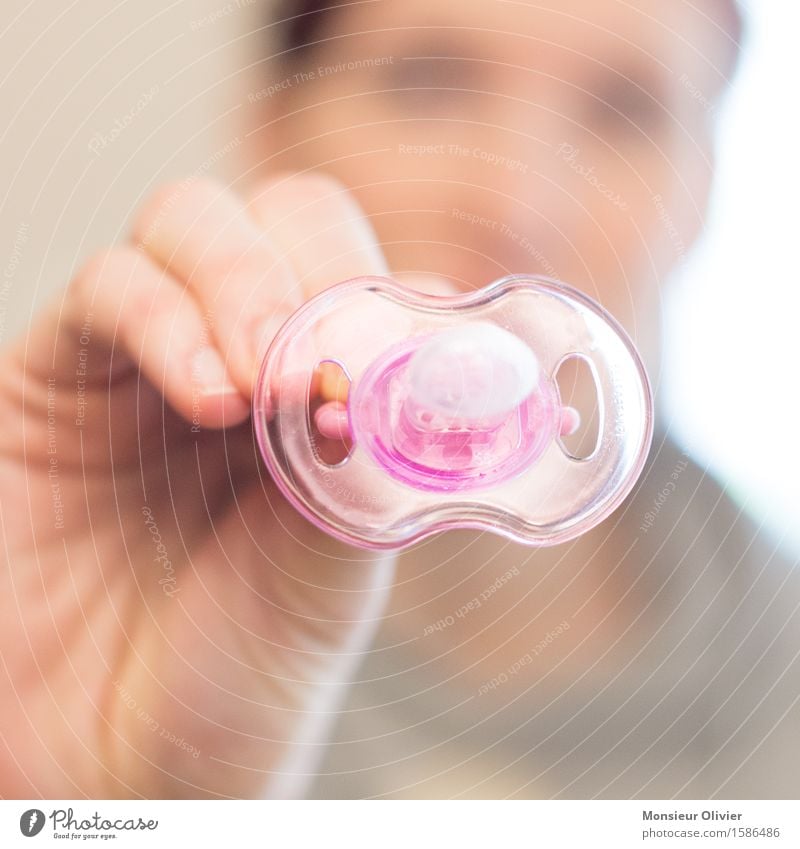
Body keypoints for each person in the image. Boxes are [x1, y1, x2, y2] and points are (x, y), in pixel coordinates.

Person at [1, 0, 797, 800]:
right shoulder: (107, 599)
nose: (518, 207)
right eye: (431, 84)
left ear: (705, 186)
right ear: (272, 130)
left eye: (626, 109)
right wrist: (83, 805)